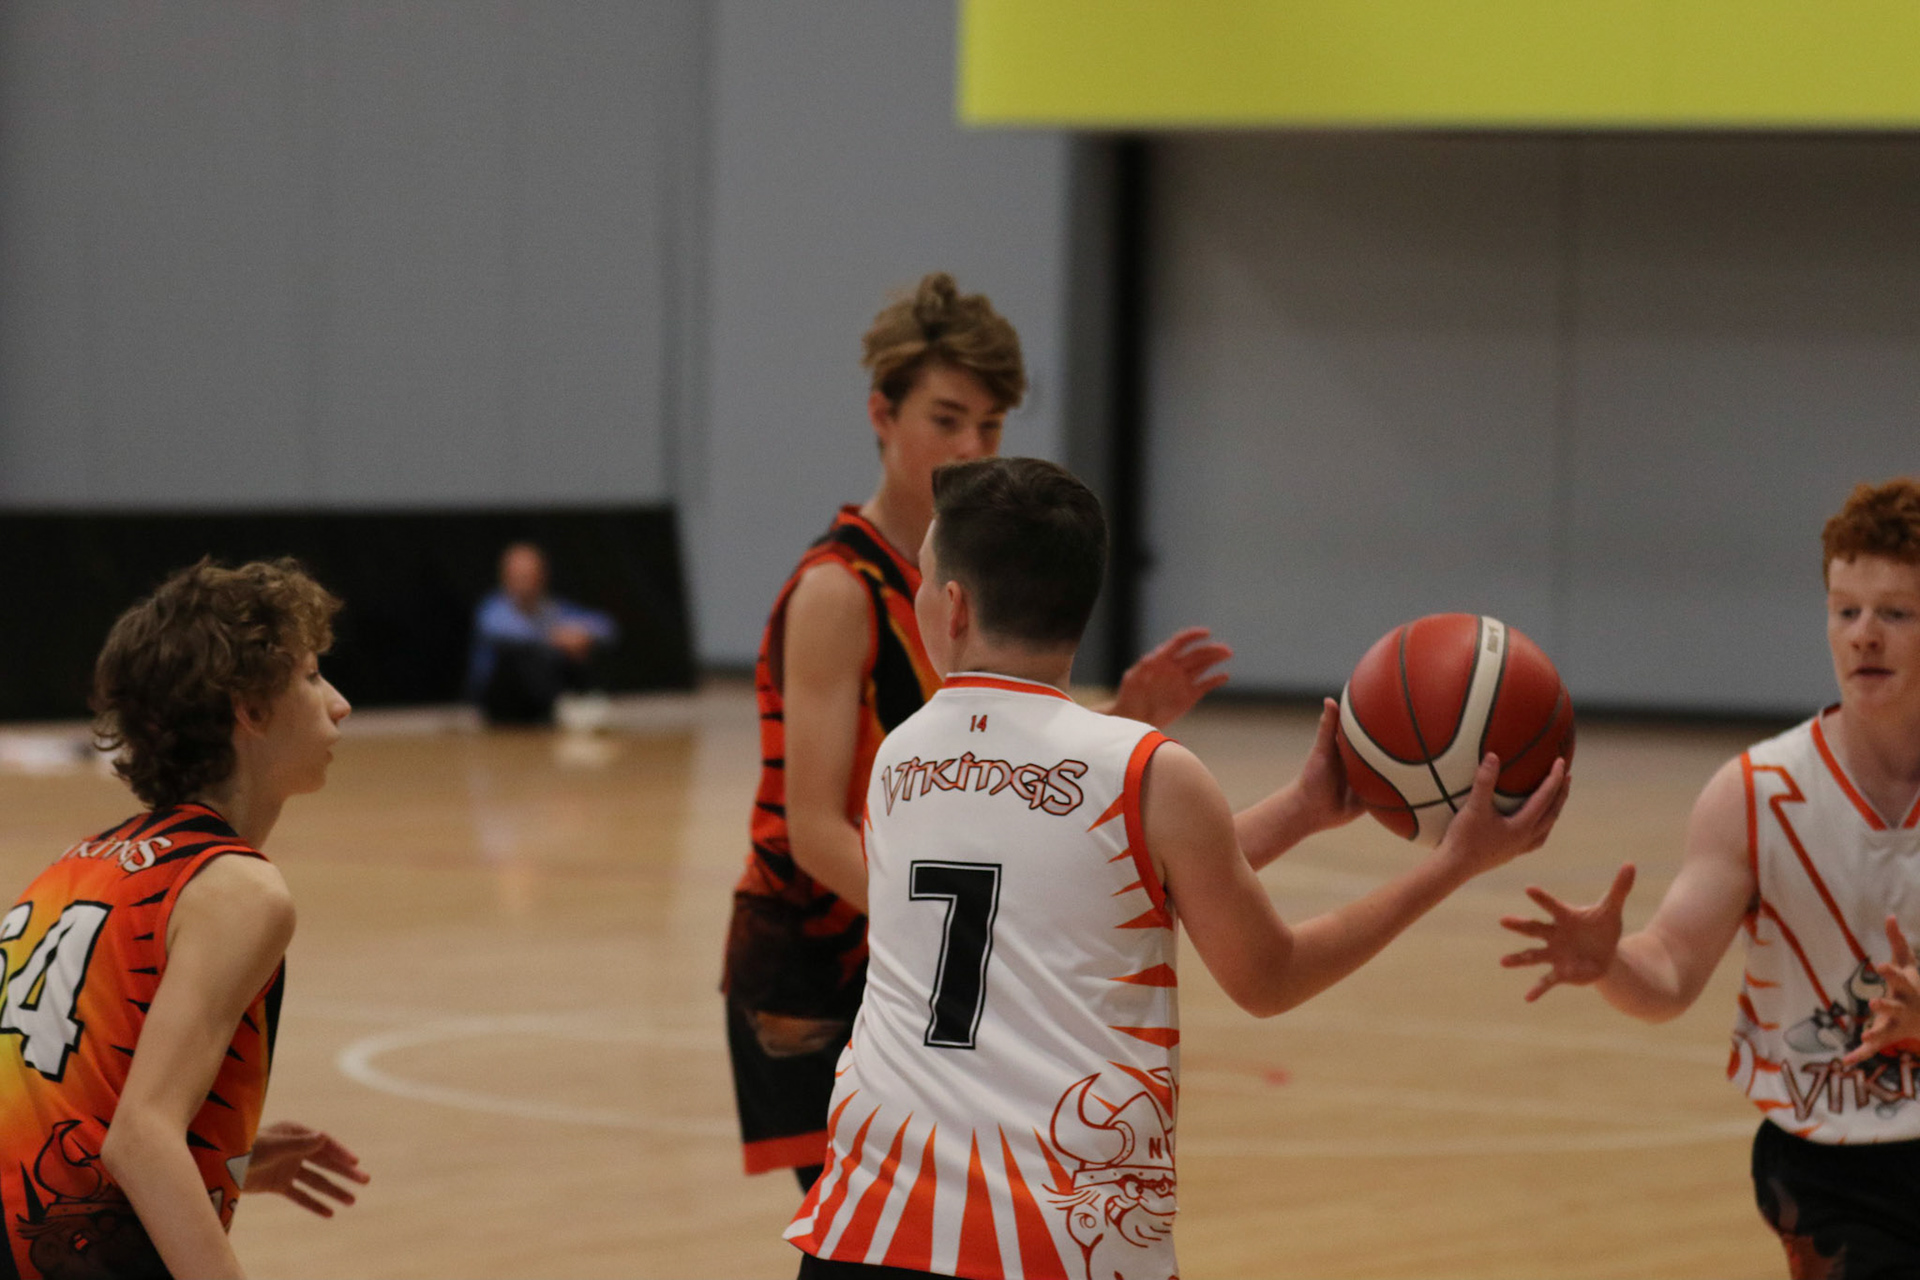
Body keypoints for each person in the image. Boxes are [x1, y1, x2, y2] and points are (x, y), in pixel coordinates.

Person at [785, 457, 1569, 1278]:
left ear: (952, 606)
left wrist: (1302, 810)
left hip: (868, 1227)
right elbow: (1266, 974)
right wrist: (1452, 865)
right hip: (1065, 1242)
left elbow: (1092, 882)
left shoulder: (902, 760)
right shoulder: (1147, 770)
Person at [721, 273, 1235, 1192]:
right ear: (882, 415)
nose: (969, 448)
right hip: (817, 958)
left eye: (991, 427)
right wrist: (953, 932)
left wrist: (1122, 729)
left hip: (920, 940)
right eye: (947, 419)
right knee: (867, 1229)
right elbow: (814, 829)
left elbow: (989, 787)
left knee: (935, 1227)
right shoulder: (840, 590)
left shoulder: (966, 582)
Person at [1500, 476, 1920, 1277]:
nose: (1865, 635)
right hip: (1829, 1168)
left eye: (1896, 613)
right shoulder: (1756, 793)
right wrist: (1610, 963)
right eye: (1846, 611)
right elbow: (1668, 972)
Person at [0, 559, 368, 1280]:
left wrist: (226, 1159)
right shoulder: (239, 888)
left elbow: (69, 1105)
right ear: (249, 710)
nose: (340, 704)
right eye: (311, 677)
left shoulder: (81, 862)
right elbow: (139, 1139)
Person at [465, 541, 618, 725]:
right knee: (522, 654)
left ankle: (583, 703)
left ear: (543, 576)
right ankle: (563, 706)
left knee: (578, 647)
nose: (524, 583)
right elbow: (502, 633)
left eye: (529, 575)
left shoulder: (552, 608)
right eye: (519, 576)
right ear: (504, 577)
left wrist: (582, 635)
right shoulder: (492, 609)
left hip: (542, 696)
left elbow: (606, 626)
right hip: (502, 698)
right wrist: (555, 637)